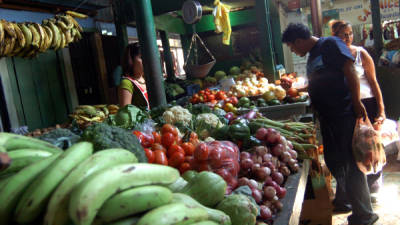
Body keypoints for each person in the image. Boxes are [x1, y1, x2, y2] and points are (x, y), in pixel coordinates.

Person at [282, 23, 379, 225]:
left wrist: (356, 101)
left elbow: (350, 69)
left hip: (343, 113)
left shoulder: (330, 44)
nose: (293, 51)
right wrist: (296, 90)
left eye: (292, 47)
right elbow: (320, 82)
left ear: (299, 41)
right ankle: (350, 203)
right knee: (335, 161)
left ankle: (365, 215)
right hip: (328, 116)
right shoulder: (313, 55)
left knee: (350, 165)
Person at [330, 20, 386, 199]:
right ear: (334, 36)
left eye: (350, 34)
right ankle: (354, 192)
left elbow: (373, 82)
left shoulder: (361, 54)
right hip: (347, 107)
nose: (347, 37)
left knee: (371, 146)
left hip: (367, 104)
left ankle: (373, 187)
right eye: (343, 34)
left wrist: (381, 110)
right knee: (353, 148)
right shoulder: (333, 57)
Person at [118, 42, 150, 109]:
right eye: (141, 57)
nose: (146, 60)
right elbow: (125, 114)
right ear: (131, 60)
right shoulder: (126, 83)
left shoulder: (147, 78)